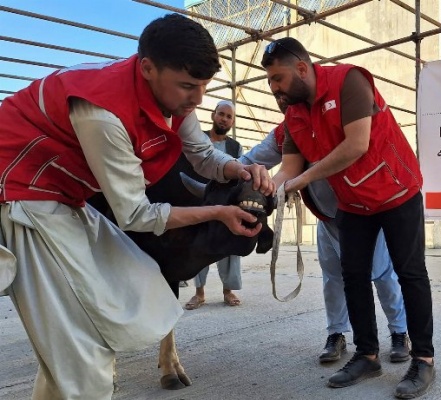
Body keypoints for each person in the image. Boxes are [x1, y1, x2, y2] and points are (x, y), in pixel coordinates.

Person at [0, 14, 273, 399]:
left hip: (65, 197)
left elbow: (201, 155)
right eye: (187, 87)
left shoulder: (175, 102)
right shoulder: (103, 113)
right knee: (82, 348)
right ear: (147, 68)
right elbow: (135, 214)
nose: (197, 100)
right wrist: (217, 213)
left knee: (139, 280)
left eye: (203, 88)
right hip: (20, 196)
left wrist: (241, 170)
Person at [261, 37, 434, 399]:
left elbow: (356, 144)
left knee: (410, 273)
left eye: (277, 78)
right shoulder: (292, 116)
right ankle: (367, 355)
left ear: (302, 69)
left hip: (395, 191)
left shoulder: (348, 81)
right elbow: (288, 169)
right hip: (354, 202)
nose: (273, 87)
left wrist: (303, 180)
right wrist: (267, 188)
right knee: (353, 275)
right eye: (270, 81)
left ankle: (423, 359)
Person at [240, 95, 411, 364]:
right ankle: (337, 334)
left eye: (285, 90)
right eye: (276, 93)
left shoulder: (337, 119)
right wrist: (223, 171)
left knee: (381, 274)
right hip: (326, 217)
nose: (282, 98)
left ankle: (399, 332)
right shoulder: (285, 132)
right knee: (333, 277)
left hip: (364, 213)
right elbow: (250, 159)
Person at [185, 100, 244, 309]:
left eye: (229, 117)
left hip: (225, 202)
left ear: (232, 122)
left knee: (229, 246)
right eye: (221, 114)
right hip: (199, 201)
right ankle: (199, 293)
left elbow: (239, 176)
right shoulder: (197, 140)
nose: (224, 119)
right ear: (213, 115)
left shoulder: (235, 147)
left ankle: (228, 291)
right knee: (198, 244)